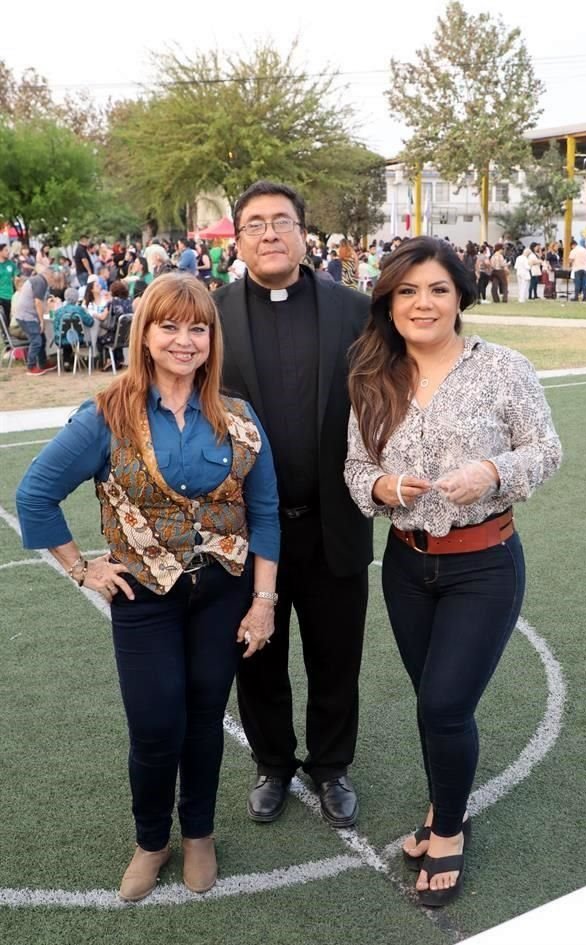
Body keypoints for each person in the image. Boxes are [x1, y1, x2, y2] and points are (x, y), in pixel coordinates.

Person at [15, 272, 280, 903]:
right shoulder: (106, 414)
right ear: (146, 334)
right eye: (169, 326)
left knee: (204, 720)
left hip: (223, 594)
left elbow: (265, 512)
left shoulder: (238, 419)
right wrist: (84, 569)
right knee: (157, 723)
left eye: (198, 328)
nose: (184, 341)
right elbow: (36, 494)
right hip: (143, 599)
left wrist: (264, 602)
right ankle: (151, 839)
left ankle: (199, 835)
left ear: (213, 339)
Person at [344, 236, 561, 906]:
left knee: (444, 704)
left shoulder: (502, 367)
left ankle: (446, 830)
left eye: (437, 289)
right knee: (434, 705)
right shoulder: (371, 375)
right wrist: (383, 489)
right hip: (406, 568)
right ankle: (449, 801)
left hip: (484, 564)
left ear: (459, 295)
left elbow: (547, 449)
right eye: (407, 290)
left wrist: (495, 470)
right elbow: (357, 470)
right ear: (389, 299)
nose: (423, 303)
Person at [213, 180, 372, 828]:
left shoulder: (355, 309)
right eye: (255, 223)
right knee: (257, 656)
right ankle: (273, 763)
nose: (270, 233)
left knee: (337, 655)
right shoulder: (211, 312)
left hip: (334, 523)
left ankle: (331, 764)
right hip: (248, 533)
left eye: (282, 221)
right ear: (240, 237)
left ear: (306, 232)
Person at [14, 268, 56, 375]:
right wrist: (41, 321)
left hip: (26, 314)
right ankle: (31, 366)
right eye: (53, 278)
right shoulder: (41, 282)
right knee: (36, 340)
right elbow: (37, 302)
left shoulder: (38, 280)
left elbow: (41, 302)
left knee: (41, 338)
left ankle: (43, 363)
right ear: (48, 275)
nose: (53, 281)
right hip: (26, 316)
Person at [52, 286, 95, 371]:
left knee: (66, 338)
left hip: (61, 340)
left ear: (65, 297)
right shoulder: (79, 310)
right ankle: (70, 361)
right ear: (76, 298)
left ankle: (66, 361)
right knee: (73, 336)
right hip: (77, 339)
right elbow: (90, 322)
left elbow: (55, 326)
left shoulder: (58, 311)